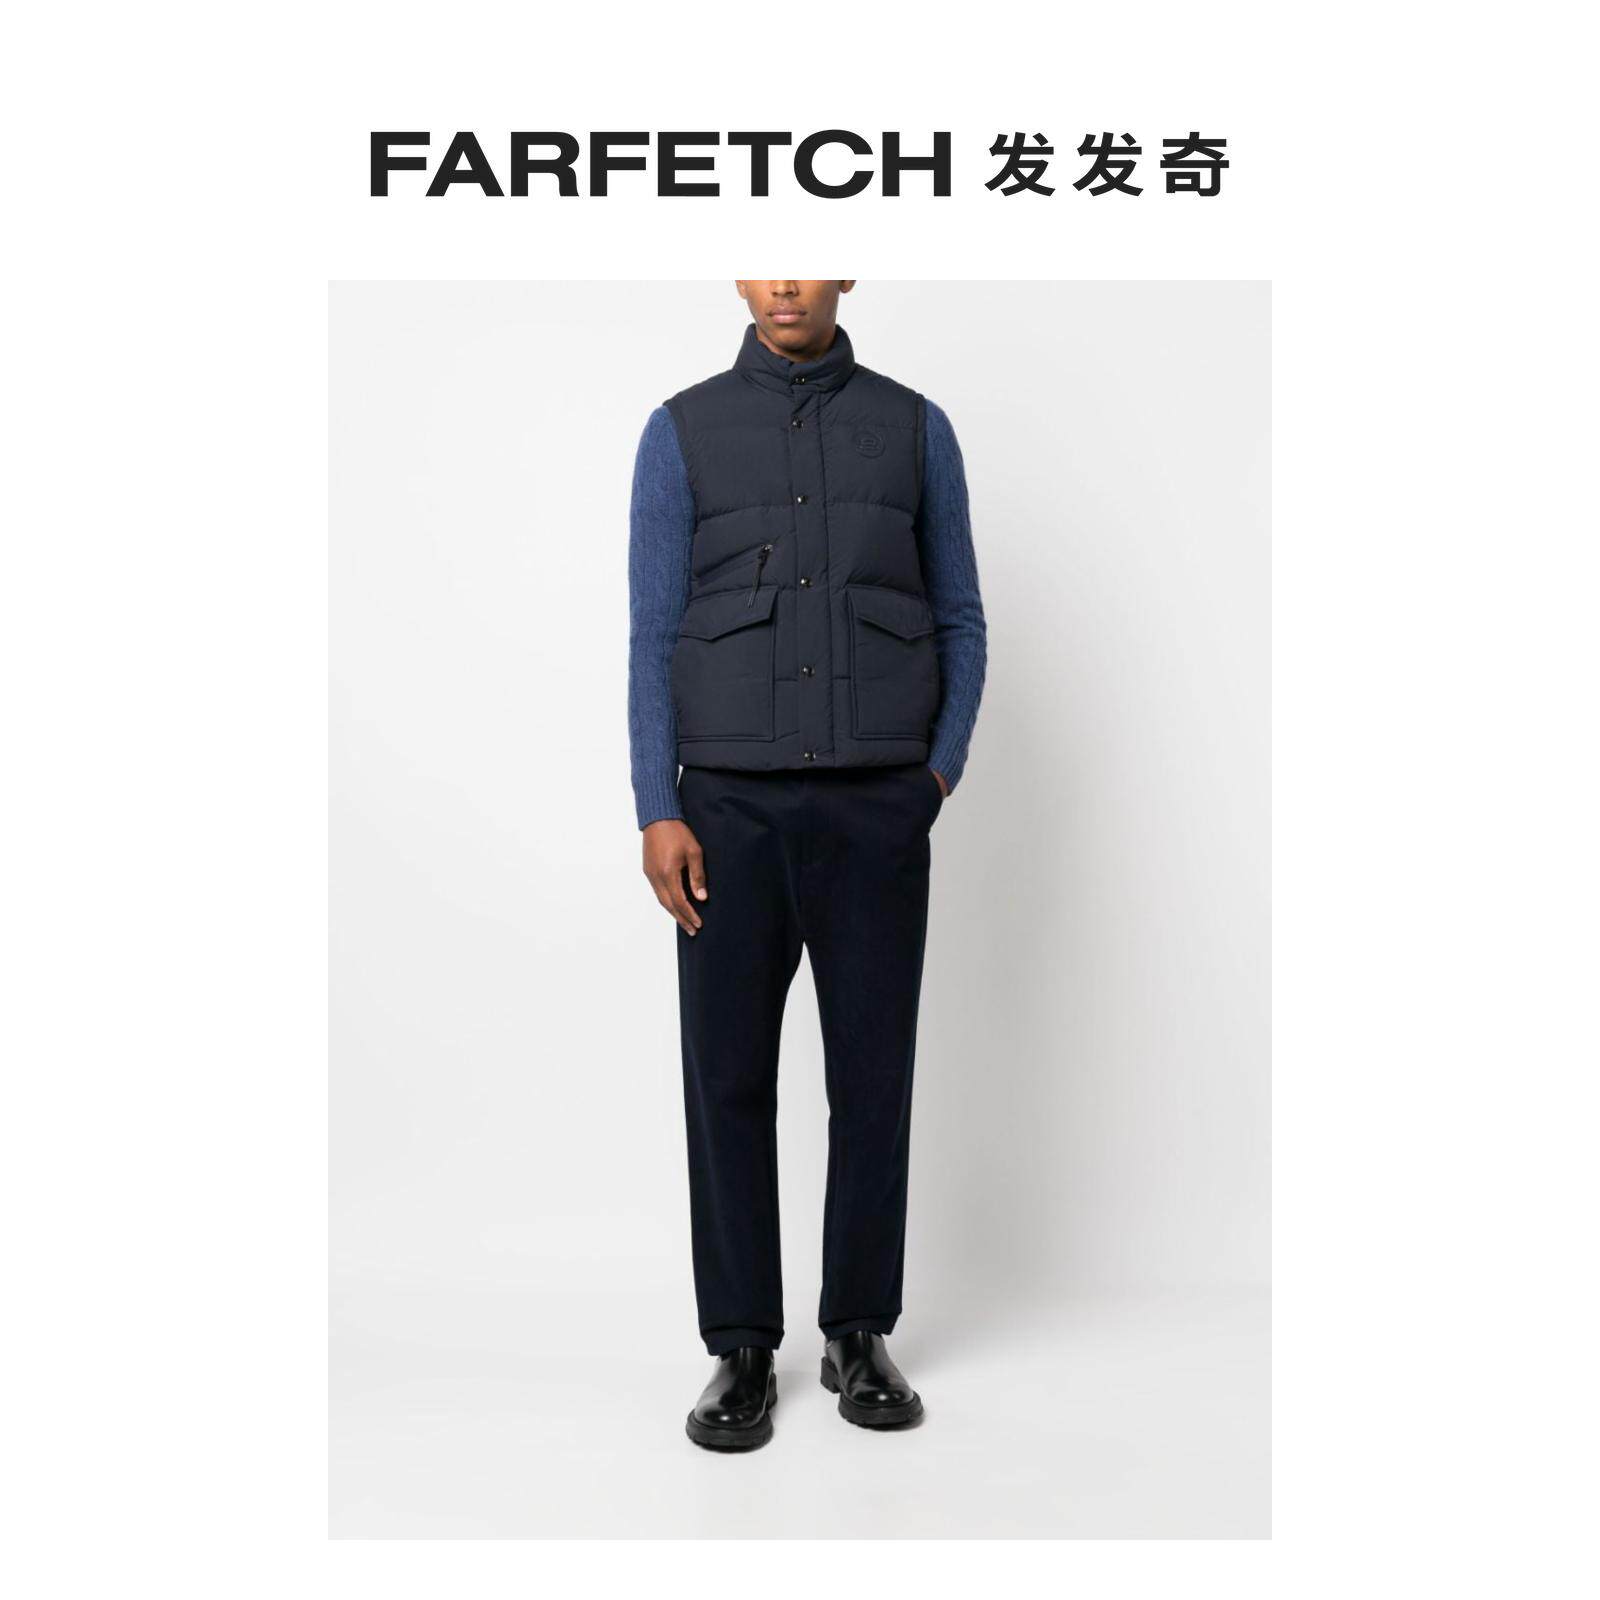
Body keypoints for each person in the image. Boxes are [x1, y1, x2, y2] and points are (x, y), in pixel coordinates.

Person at [628, 280, 987, 1450]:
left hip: (876, 809)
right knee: (725, 1077)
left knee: (873, 1077)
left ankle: (857, 1330)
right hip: (722, 813)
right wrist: (656, 806)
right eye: (761, 258)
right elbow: (651, 631)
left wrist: (932, 776)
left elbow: (960, 615)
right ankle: (739, 1344)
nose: (784, 280)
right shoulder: (680, 430)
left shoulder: (915, 427)